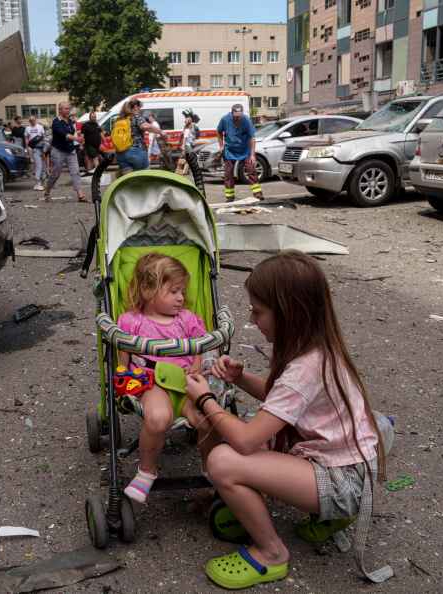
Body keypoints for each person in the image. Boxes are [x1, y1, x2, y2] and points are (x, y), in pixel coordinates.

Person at [182, 251, 386, 589]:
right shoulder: (315, 347)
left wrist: (204, 399)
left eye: (258, 312)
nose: (252, 319)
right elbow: (284, 402)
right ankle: (321, 513)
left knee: (223, 460)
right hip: (352, 464)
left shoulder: (304, 367)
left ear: (290, 313)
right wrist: (241, 378)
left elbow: (245, 440)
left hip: (343, 483)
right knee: (253, 435)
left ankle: (271, 553)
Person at [117, 253, 206, 504]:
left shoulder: (187, 319)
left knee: (208, 420)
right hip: (152, 383)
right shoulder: (132, 321)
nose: (181, 297)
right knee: (158, 419)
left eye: (183, 291)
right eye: (174, 291)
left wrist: (197, 365)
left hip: (186, 382)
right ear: (148, 290)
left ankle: (212, 472)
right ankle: (147, 470)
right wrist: (124, 376)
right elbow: (123, 356)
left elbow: (198, 346)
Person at [216, 104, 263, 202]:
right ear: (231, 113)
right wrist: (221, 146)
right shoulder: (225, 119)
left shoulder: (246, 120)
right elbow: (219, 132)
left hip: (244, 150)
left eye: (239, 116)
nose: (238, 118)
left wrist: (252, 155)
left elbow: (252, 138)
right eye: (236, 116)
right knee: (228, 173)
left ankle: (258, 194)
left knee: (251, 169)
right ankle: (230, 197)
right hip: (230, 150)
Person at [44, 102, 86, 202]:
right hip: (58, 150)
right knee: (56, 173)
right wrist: (77, 139)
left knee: (75, 171)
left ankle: (80, 194)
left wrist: (80, 137)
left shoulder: (70, 121)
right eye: (66, 109)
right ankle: (47, 190)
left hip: (70, 150)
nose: (68, 111)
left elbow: (72, 132)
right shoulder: (56, 122)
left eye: (68, 109)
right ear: (60, 110)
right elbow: (64, 134)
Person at [114, 98, 161, 174]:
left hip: (121, 154)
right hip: (136, 152)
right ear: (135, 107)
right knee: (145, 177)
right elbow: (145, 126)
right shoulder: (136, 116)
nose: (140, 109)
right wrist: (160, 132)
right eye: (139, 107)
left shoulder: (118, 120)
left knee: (129, 180)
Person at [25, 115, 46, 191]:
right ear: (29, 121)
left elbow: (44, 138)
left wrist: (45, 149)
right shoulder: (27, 128)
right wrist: (27, 149)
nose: (32, 121)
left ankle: (42, 182)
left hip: (42, 148)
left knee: (43, 166)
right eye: (30, 120)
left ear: (36, 120)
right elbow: (26, 139)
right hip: (34, 149)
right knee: (38, 165)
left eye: (33, 120)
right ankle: (38, 183)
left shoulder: (40, 127)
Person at [176, 109, 200, 176]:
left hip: (187, 145)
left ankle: (182, 172)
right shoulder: (193, 125)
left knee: (183, 159)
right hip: (190, 144)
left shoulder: (188, 127)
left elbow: (185, 137)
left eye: (186, 119)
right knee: (186, 159)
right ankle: (183, 172)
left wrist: (182, 146)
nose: (184, 121)